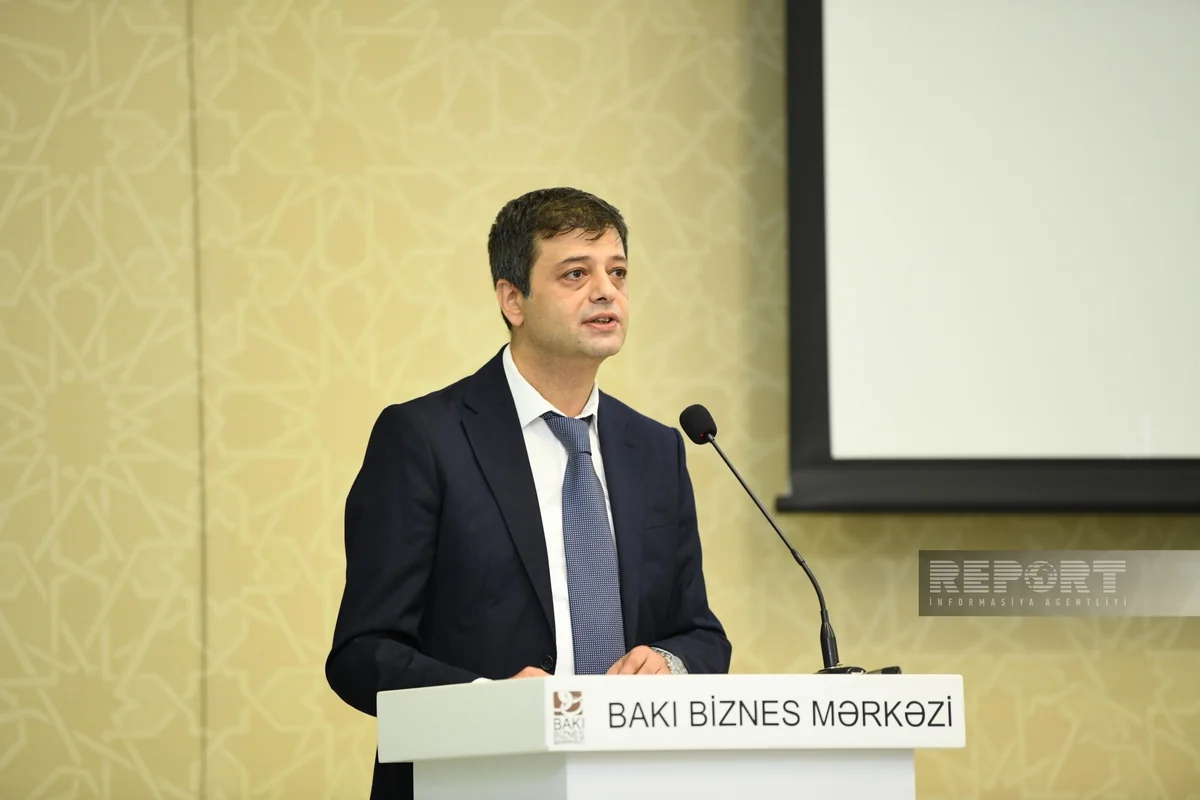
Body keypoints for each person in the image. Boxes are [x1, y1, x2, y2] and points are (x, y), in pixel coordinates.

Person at [325, 187, 731, 799]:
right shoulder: (424, 438)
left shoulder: (656, 449)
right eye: (576, 274)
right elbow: (363, 653)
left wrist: (667, 664)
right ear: (512, 299)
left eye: (618, 273)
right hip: (472, 779)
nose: (606, 292)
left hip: (629, 779)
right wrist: (491, 703)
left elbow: (700, 634)